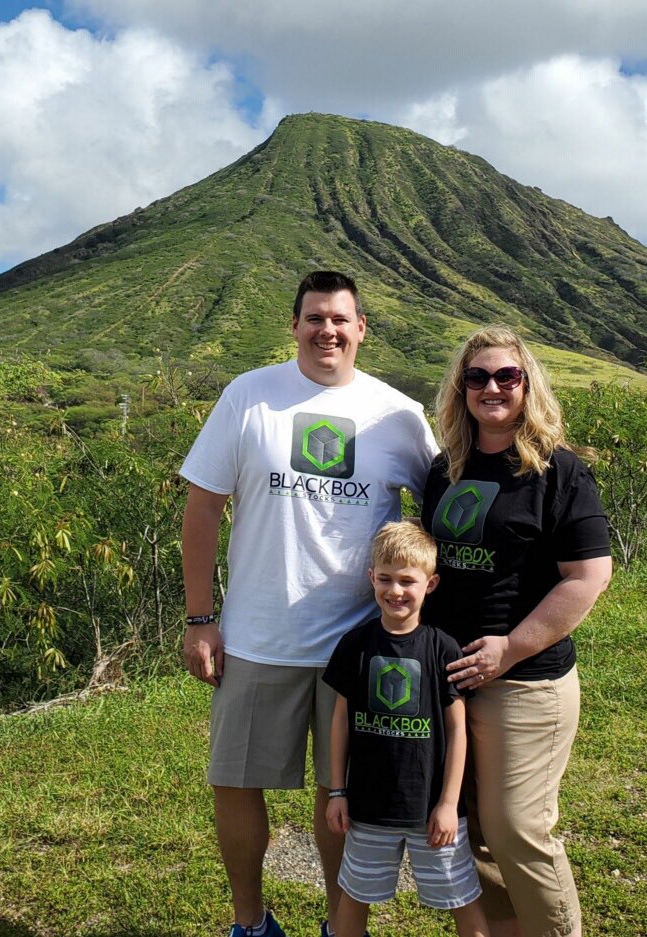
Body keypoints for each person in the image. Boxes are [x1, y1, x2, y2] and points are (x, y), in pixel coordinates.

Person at [180, 271, 438, 937]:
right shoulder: (249, 396)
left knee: (340, 791)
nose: (328, 330)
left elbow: (443, 512)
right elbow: (203, 507)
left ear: (362, 330)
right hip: (256, 635)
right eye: (315, 317)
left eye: (340, 319)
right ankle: (250, 923)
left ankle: (338, 925)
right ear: (294, 325)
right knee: (235, 781)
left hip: (357, 644)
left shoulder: (397, 415)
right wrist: (201, 619)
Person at [421, 325, 612, 937]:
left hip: (525, 682)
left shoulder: (559, 472)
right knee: (473, 830)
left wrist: (510, 648)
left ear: (529, 385)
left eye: (507, 376)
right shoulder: (444, 469)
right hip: (452, 680)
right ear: (461, 389)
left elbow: (588, 578)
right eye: (477, 377)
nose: (492, 388)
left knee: (517, 828)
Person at [322, 521, 489, 937]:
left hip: (431, 812)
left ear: (430, 584)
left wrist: (448, 803)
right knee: (352, 900)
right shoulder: (355, 645)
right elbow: (340, 720)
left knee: (463, 901)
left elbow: (458, 731)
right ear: (371, 578)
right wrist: (338, 791)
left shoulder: (443, 648)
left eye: (407, 581)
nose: (395, 590)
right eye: (385, 579)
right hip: (368, 808)